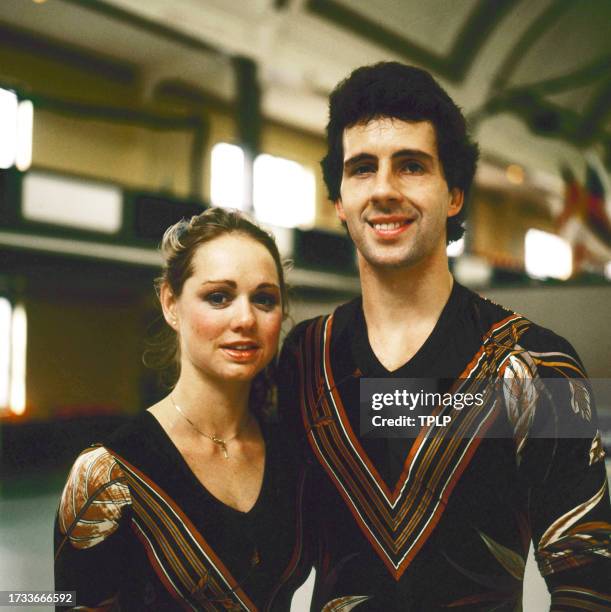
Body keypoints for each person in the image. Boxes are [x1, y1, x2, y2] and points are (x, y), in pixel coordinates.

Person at [279, 62, 611, 610]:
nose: (383, 190)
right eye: (362, 168)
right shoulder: (302, 360)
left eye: (410, 166)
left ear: (454, 193)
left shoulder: (537, 365)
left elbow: (590, 578)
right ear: (338, 200)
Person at [55, 208, 313, 610]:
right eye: (218, 297)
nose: (245, 318)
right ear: (171, 303)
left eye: (264, 299)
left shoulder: (293, 453)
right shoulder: (107, 475)